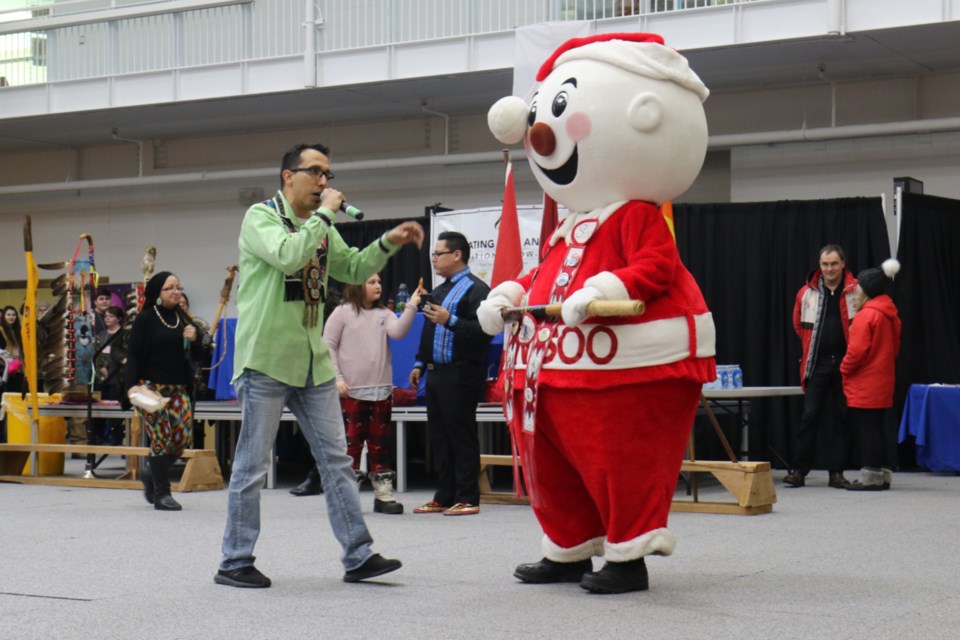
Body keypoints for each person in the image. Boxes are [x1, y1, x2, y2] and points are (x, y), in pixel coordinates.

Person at [481, 33, 716, 594]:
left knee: (621, 461)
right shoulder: (569, 226)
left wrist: (607, 288)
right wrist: (511, 294)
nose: (542, 133)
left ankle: (628, 556)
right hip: (556, 371)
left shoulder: (636, 216)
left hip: (624, 367)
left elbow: (657, 267)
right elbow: (546, 278)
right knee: (553, 463)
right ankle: (567, 548)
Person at [216, 142, 424, 589]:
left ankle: (358, 554)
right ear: (288, 176)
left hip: (313, 364)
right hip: (267, 360)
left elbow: (352, 269)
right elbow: (290, 254)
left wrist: (389, 241)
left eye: (328, 174)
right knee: (252, 465)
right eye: (316, 172)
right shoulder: (261, 217)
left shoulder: (321, 228)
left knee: (338, 461)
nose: (325, 182)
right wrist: (325, 215)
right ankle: (234, 560)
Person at [313, 273, 421, 513]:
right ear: (356, 285)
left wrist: (412, 305)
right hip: (351, 391)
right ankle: (346, 498)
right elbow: (327, 344)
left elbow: (398, 332)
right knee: (350, 446)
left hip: (381, 391)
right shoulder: (342, 312)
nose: (378, 286)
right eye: (371, 282)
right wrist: (337, 378)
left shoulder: (385, 314)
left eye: (380, 282)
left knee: (380, 445)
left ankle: (383, 496)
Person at [409, 231, 492, 517]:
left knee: (461, 435)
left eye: (439, 253)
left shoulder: (477, 289)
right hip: (435, 373)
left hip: (462, 372)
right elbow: (429, 329)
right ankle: (444, 495)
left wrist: (452, 320)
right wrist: (420, 363)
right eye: (433, 253)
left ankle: (469, 496)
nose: (433, 258)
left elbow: (485, 333)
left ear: (457, 255)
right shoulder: (440, 290)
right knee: (440, 436)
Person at [124, 272, 202, 511]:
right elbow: (133, 355)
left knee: (181, 441)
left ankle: (152, 474)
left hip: (179, 389)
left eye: (178, 287)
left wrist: (196, 338)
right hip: (151, 390)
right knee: (161, 438)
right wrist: (131, 385)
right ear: (158, 293)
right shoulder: (146, 319)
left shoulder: (184, 319)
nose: (176, 292)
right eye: (170, 288)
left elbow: (199, 357)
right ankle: (162, 493)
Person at [785, 244, 859, 489]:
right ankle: (799, 471)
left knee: (842, 418)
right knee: (810, 416)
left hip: (847, 365)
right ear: (819, 266)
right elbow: (798, 326)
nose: (829, 269)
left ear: (843, 264)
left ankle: (836, 473)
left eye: (834, 264)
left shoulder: (856, 291)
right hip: (817, 365)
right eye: (825, 264)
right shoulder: (805, 294)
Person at [841, 259, 902, 491]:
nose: (856, 288)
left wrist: (844, 368)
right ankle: (883, 473)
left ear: (867, 290)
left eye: (859, 285)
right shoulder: (890, 314)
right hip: (884, 377)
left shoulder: (866, 316)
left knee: (867, 429)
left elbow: (856, 353)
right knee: (878, 426)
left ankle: (872, 477)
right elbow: (895, 348)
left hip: (866, 380)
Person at [94, 305, 126, 445]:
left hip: (118, 376)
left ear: (119, 318)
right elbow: (96, 354)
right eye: (106, 316)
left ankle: (116, 437)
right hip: (102, 377)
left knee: (116, 409)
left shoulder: (124, 335)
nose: (107, 318)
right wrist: (101, 367)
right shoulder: (100, 335)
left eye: (111, 316)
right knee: (99, 409)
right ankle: (98, 437)